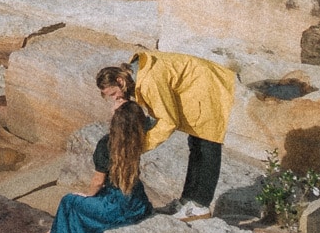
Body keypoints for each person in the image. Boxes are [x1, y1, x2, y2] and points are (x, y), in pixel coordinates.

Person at [23, 96, 153, 233]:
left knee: (69, 201)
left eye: (118, 103)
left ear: (117, 119)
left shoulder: (107, 144)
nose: (115, 100)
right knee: (78, 204)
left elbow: (98, 182)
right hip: (136, 203)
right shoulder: (141, 135)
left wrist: (87, 196)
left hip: (114, 207)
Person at [97, 50, 236, 219]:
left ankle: (200, 206)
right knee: (196, 145)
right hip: (196, 88)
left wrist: (139, 147)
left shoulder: (149, 80)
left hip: (208, 87)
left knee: (207, 144)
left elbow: (168, 122)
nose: (115, 98)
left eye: (113, 93)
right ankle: (187, 201)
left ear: (119, 80)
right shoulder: (135, 75)